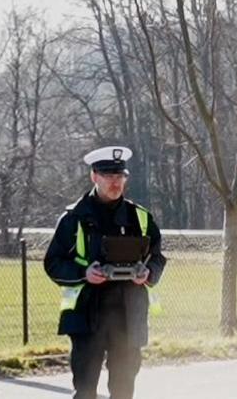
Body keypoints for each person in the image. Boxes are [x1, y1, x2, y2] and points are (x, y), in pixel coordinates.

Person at [43, 145, 166, 399]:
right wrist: (84, 272)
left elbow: (157, 258)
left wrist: (148, 273)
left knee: (123, 390)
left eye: (120, 176)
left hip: (128, 315)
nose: (115, 182)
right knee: (86, 390)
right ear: (94, 176)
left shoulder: (140, 218)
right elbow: (53, 262)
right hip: (88, 314)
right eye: (109, 176)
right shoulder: (74, 218)